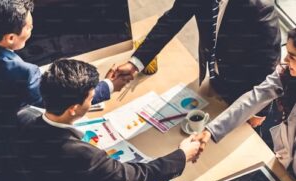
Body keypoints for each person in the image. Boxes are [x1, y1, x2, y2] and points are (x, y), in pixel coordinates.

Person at [0, 0, 130, 181]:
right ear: (11, 38)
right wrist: (108, 85)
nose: (33, 28)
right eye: (29, 27)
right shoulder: (21, 71)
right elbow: (57, 97)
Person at [16, 59, 201, 181]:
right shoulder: (84, 156)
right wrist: (183, 155)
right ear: (73, 108)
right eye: (90, 97)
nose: (93, 98)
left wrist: (110, 84)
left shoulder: (23, 117)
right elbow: (137, 176)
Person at [115, 0, 281, 126]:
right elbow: (171, 21)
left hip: (243, 93)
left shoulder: (260, 8)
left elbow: (269, 63)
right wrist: (135, 63)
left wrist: (258, 111)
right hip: (212, 76)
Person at [194, 28, 296, 179]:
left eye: (293, 56)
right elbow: (254, 98)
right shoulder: (286, 73)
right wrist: (210, 130)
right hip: (285, 161)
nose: (286, 60)